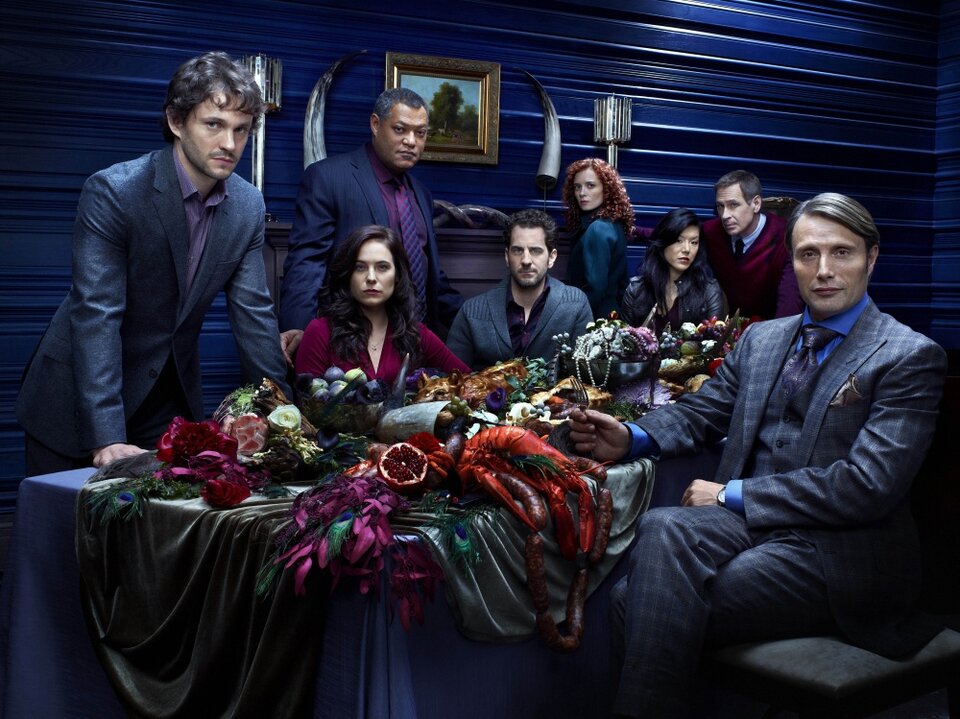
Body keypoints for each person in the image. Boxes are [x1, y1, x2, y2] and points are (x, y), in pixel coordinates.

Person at [568, 193, 946, 718]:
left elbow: (867, 485)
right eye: (808, 254)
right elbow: (703, 412)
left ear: (871, 258)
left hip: (837, 553)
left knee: (635, 600)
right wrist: (632, 437)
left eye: (842, 252)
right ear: (793, 261)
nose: (824, 270)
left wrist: (731, 493)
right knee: (662, 526)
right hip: (752, 532)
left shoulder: (908, 355)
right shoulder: (761, 340)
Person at [16, 51, 292, 477]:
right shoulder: (115, 191)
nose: (229, 144)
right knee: (68, 519)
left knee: (165, 516)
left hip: (165, 397)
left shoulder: (247, 205)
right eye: (213, 125)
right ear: (176, 122)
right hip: (76, 401)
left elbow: (254, 315)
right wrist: (106, 437)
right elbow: (97, 314)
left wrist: (285, 416)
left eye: (241, 129)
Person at [280, 87, 463, 335]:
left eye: (420, 133)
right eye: (400, 129)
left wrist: (485, 327)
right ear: (375, 125)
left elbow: (433, 278)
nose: (411, 141)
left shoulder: (421, 194)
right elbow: (306, 266)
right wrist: (299, 334)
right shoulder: (328, 178)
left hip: (417, 340)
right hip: (351, 339)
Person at [294, 225, 468, 385]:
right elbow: (307, 402)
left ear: (397, 275)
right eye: (360, 267)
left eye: (382, 267)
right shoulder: (320, 332)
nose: (371, 278)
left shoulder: (416, 335)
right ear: (348, 275)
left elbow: (467, 380)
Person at [446, 209, 592, 370]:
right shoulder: (472, 312)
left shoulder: (575, 305)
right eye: (518, 250)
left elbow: (585, 375)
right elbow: (452, 377)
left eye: (535, 251)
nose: (526, 260)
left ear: (551, 257)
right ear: (507, 256)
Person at [702, 169, 803, 319]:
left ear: (756, 204)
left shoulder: (785, 238)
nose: (724, 215)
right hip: (730, 327)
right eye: (720, 206)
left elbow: (790, 304)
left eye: (733, 205)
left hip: (772, 326)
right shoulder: (710, 232)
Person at [620, 207, 726, 332]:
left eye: (694, 242)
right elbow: (624, 339)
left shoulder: (709, 290)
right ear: (663, 242)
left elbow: (714, 340)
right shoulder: (636, 289)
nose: (687, 249)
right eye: (678, 240)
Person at [561, 158, 633, 318]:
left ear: (607, 189)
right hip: (612, 315)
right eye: (577, 187)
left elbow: (595, 289)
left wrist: (571, 319)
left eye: (590, 185)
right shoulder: (613, 223)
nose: (582, 193)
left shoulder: (598, 229)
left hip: (594, 318)